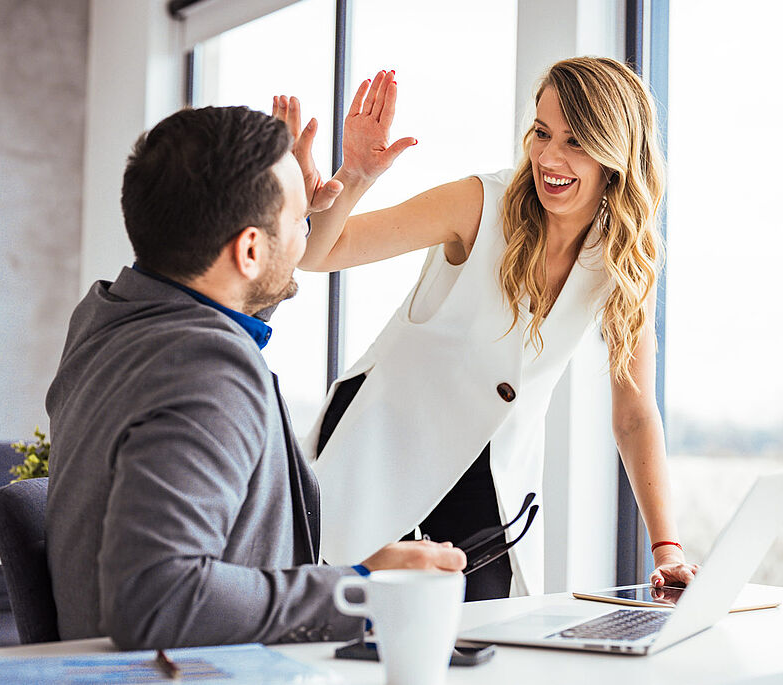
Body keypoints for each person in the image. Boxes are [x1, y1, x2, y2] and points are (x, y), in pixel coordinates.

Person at [44, 105, 465, 650]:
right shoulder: (207, 371)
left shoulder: (111, 318)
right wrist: (363, 590)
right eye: (298, 224)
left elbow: (221, 309)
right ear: (248, 249)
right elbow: (157, 600)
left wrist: (299, 203)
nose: (306, 236)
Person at [277, 57, 697, 601]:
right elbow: (317, 254)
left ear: (615, 154)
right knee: (356, 634)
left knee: (487, 644)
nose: (549, 157)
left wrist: (668, 549)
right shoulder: (479, 203)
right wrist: (355, 176)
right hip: (382, 448)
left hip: (490, 476)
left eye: (575, 141)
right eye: (542, 133)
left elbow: (636, 414)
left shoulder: (622, 259)